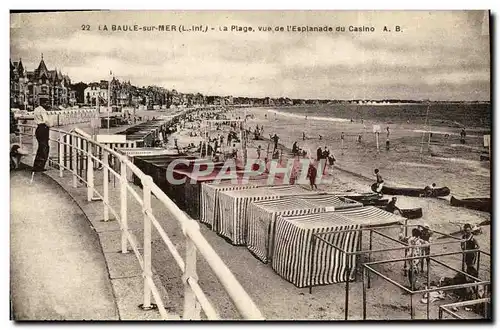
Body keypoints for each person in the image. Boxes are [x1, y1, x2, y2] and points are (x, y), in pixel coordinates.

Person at [32, 105, 50, 172]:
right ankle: (40, 166)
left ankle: (36, 165)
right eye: (46, 102)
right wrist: (50, 125)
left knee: (40, 147)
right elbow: (46, 121)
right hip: (43, 128)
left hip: (38, 129)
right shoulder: (42, 110)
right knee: (45, 148)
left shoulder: (36, 109)